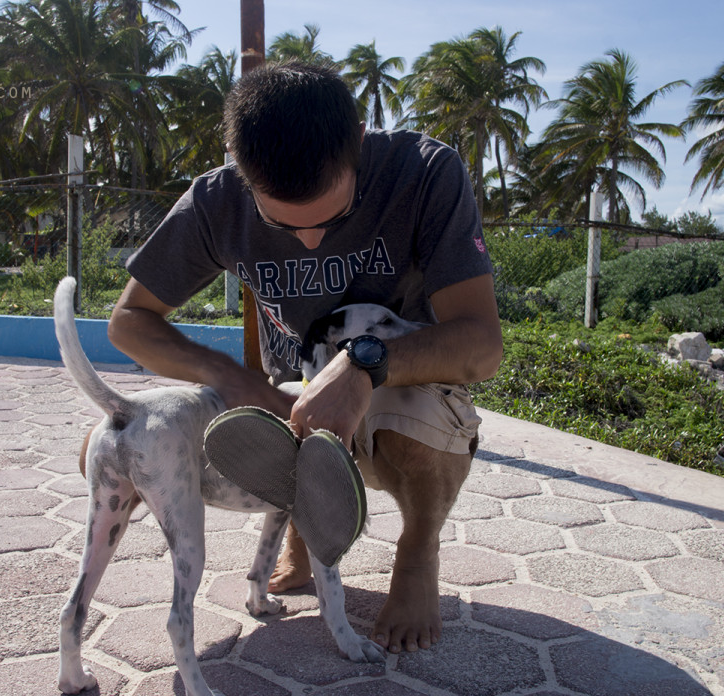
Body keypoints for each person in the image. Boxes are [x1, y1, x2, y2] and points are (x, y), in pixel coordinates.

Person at [108, 62, 503, 654]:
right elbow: (128, 322)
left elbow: (482, 344)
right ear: (240, 171)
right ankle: (302, 528)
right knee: (136, 441)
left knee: (413, 429)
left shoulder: (425, 173)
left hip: (408, 384)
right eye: (280, 223)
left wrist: (363, 364)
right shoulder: (216, 200)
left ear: (360, 142)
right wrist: (228, 375)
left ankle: (418, 549)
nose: (312, 241)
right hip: (295, 392)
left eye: (334, 218)